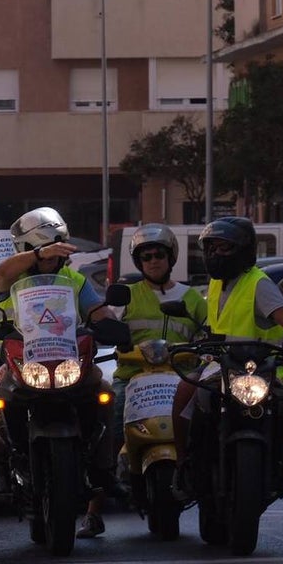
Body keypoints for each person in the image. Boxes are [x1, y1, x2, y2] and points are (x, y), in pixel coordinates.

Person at [170, 216, 283, 547]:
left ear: (242, 250)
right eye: (210, 247)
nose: (215, 253)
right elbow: (207, 321)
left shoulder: (259, 284)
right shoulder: (216, 284)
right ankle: (184, 465)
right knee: (184, 393)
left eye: (223, 247)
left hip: (261, 374)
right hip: (218, 368)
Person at [0, 207, 120, 542]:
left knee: (106, 395)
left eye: (57, 249)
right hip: (20, 369)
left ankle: (104, 470)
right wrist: (40, 253)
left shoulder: (76, 281)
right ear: (27, 250)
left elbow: (98, 310)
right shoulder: (11, 281)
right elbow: (2, 273)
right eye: (44, 250)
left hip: (71, 366)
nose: (52, 257)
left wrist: (111, 324)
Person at [81, 224, 208, 538]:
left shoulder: (191, 298)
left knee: (208, 426)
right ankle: (94, 512)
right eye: (147, 257)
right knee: (107, 428)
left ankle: (215, 497)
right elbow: (107, 326)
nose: (154, 261)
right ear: (138, 263)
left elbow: (208, 331)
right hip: (133, 378)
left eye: (159, 255)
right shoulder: (127, 296)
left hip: (180, 378)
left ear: (170, 258)